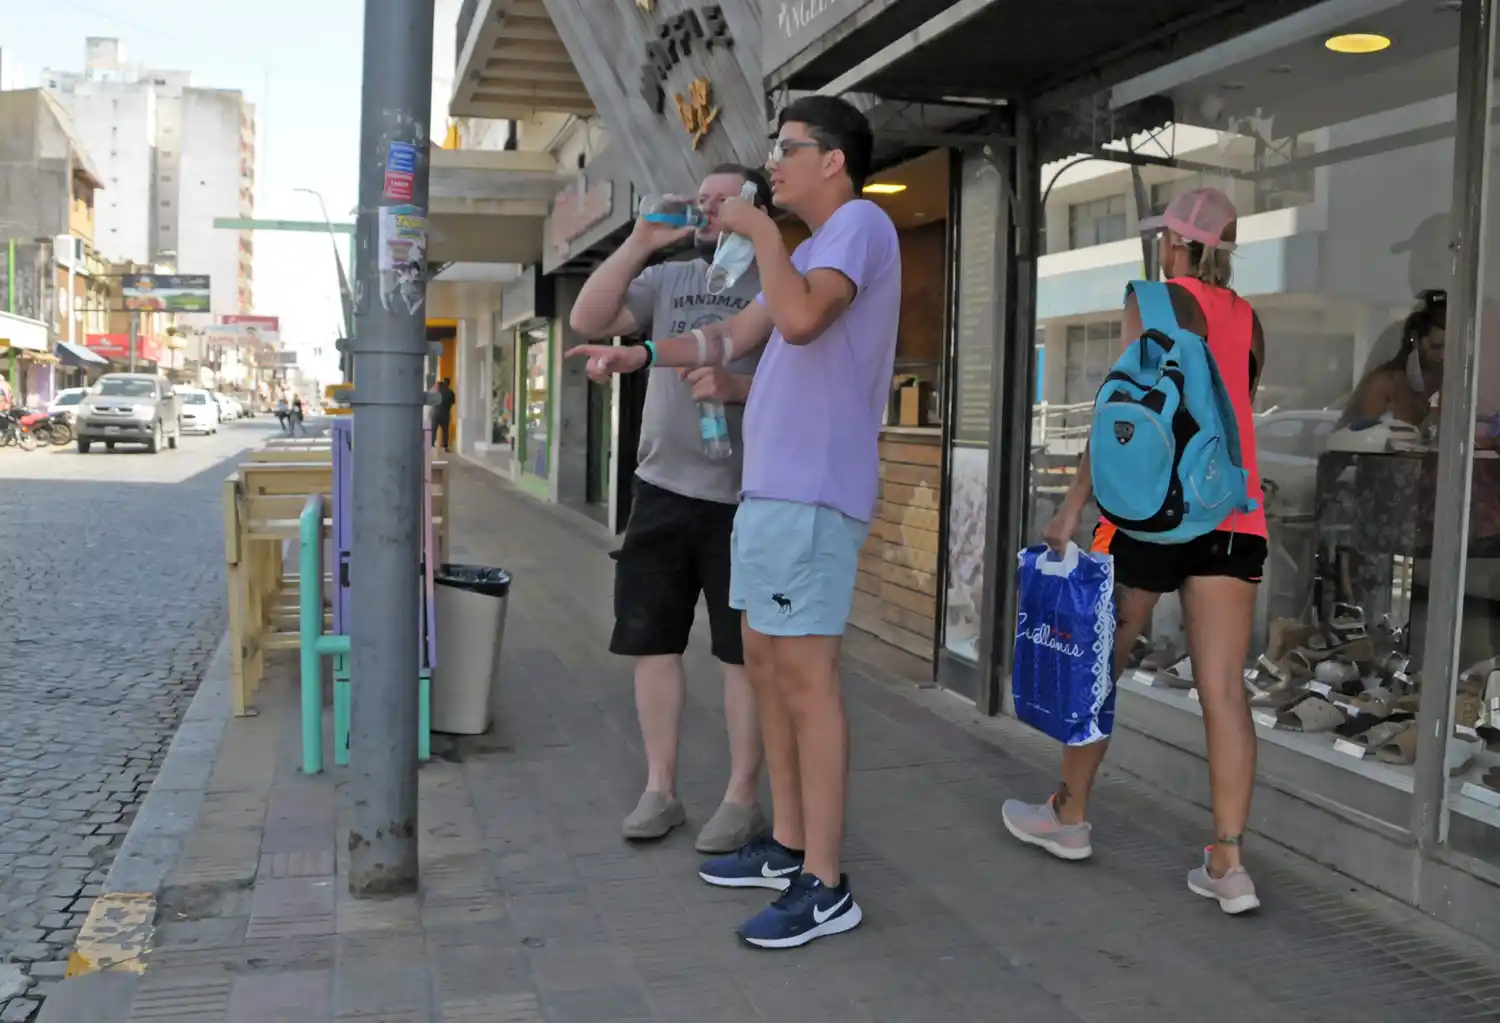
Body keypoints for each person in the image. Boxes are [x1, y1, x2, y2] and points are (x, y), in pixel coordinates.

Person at [567, 96, 900, 948]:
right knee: (763, 662)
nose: (775, 162)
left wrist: (759, 229)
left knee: (807, 681)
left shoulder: (859, 224)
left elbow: (792, 317)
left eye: (788, 149)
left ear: (834, 160)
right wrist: (635, 354)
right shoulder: (815, 246)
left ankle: (826, 882)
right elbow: (731, 335)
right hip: (769, 494)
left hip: (814, 494)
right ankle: (788, 846)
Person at [1002, 187, 1268, 916]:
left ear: (1176, 245)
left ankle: (1068, 814)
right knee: (1225, 688)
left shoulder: (1149, 302)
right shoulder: (1248, 318)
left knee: (1101, 660)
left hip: (1149, 513)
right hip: (1234, 515)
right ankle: (1228, 861)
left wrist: (1072, 503)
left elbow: (1124, 410)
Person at [568, 163, 774, 856]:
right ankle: (660, 787)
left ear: (756, 209)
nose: (706, 208)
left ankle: (743, 797)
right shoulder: (673, 278)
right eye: (702, 198)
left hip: (744, 497)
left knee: (741, 655)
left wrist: (735, 388)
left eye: (723, 199)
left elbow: (803, 386)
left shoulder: (779, 284)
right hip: (660, 487)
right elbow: (587, 318)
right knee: (652, 641)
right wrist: (638, 242)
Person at [1338, 289, 1445, 428]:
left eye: (1450, 349)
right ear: (1415, 343)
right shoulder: (1384, 385)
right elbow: (1365, 437)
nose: (1443, 355)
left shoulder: (1447, 386)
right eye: (1436, 346)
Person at [433, 378, 456, 450]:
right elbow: (453, 402)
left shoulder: (438, 391)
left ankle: (431, 443)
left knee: (434, 429)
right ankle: (445, 446)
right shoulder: (451, 392)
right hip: (445, 413)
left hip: (436, 413)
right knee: (445, 430)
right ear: (449, 384)